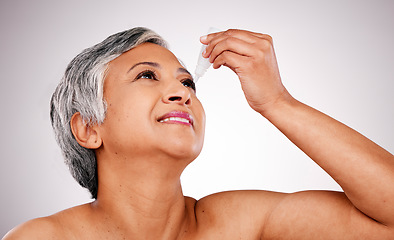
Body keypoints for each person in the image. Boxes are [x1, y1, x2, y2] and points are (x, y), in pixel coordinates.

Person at [3, 27, 394, 239]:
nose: (181, 93)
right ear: (88, 128)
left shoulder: (242, 224)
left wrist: (276, 102)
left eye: (188, 83)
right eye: (146, 75)